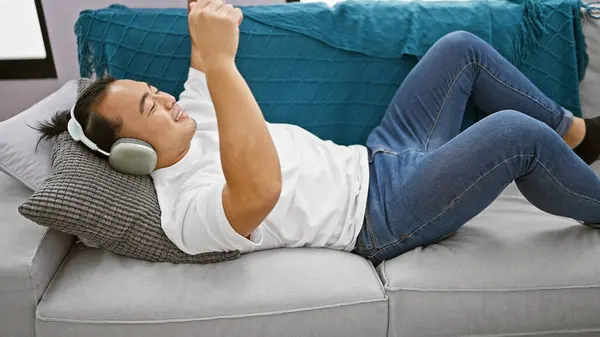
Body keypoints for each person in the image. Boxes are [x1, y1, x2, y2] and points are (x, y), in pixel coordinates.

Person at [37, 0, 600, 265]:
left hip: (380, 155)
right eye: (147, 105)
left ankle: (576, 135)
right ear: (134, 153)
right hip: (384, 214)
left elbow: (208, 48)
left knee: (458, 49)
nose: (162, 97)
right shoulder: (185, 213)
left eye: (152, 89)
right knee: (511, 134)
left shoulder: (190, 112)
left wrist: (209, 28)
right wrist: (223, 65)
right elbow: (257, 192)